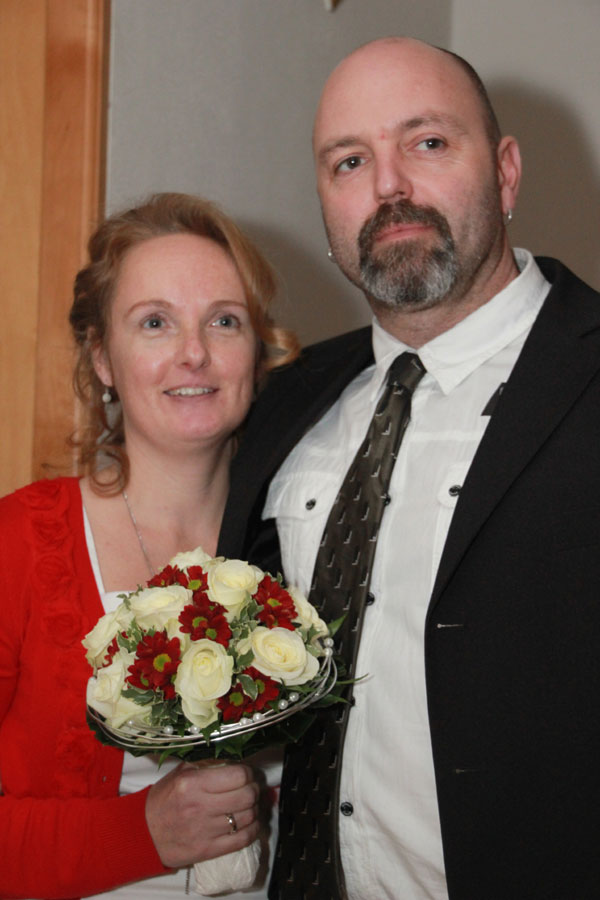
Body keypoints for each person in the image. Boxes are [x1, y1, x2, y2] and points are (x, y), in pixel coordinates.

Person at [219, 37, 600, 900]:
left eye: (427, 143)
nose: (388, 186)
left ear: (506, 172)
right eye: (350, 161)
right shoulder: (282, 403)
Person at [0, 192, 298, 899]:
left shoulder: (305, 540)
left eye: (224, 320)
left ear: (257, 353)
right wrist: (142, 834)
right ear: (102, 356)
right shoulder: (20, 544)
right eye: (155, 322)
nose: (194, 353)